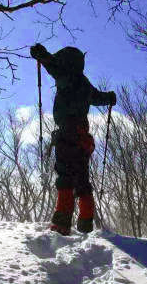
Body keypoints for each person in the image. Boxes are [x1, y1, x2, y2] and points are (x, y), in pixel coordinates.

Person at [30, 43, 116, 235]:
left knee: (65, 176)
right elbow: (99, 98)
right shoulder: (84, 83)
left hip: (67, 134)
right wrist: (110, 97)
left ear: (67, 61)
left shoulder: (66, 76)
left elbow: (52, 64)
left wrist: (42, 55)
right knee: (82, 179)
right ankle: (86, 224)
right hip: (83, 137)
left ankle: (61, 223)